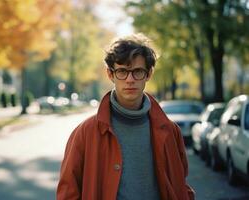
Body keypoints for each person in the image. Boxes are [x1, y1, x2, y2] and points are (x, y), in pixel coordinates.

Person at [57, 33, 195, 200]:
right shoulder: (85, 132)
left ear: (149, 74)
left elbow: (180, 184)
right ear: (110, 74)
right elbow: (68, 192)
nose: (130, 80)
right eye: (122, 71)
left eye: (137, 71)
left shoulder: (171, 131)